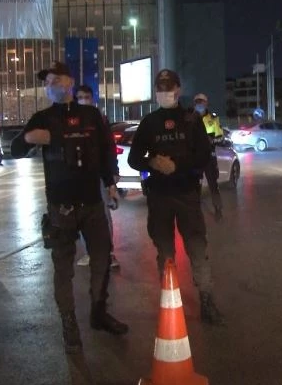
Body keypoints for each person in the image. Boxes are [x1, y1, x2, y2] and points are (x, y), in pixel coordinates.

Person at [12, 61, 128, 354]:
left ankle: (99, 312)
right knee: (63, 268)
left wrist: (110, 183)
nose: (50, 86)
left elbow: (106, 152)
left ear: (70, 82)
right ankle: (69, 323)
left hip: (92, 202)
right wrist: (28, 138)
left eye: (55, 80)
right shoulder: (42, 118)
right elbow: (15, 149)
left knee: (101, 258)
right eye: (47, 82)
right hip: (60, 206)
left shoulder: (91, 115)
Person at [127, 69, 224, 325]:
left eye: (168, 88)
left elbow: (203, 155)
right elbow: (133, 159)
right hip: (159, 196)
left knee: (197, 249)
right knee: (165, 252)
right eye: (160, 88)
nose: (164, 92)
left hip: (186, 194)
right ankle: (170, 303)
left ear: (178, 89)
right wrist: (152, 162)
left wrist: (177, 165)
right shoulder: (149, 122)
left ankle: (207, 301)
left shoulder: (191, 120)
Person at [75, 84, 120, 268]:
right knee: (82, 215)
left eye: (86, 97)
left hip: (99, 174)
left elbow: (109, 147)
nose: (83, 100)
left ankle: (109, 253)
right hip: (79, 176)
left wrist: (113, 173)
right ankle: (89, 252)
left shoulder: (99, 119)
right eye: (80, 97)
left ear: (92, 99)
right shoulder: (73, 119)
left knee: (103, 214)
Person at [194, 93, 224, 221]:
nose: (199, 105)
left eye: (201, 102)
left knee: (213, 185)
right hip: (195, 159)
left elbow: (220, 138)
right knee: (195, 186)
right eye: (197, 102)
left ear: (206, 104)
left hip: (209, 157)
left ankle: (218, 209)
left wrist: (212, 141)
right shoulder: (189, 119)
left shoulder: (213, 119)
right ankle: (194, 212)